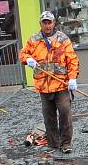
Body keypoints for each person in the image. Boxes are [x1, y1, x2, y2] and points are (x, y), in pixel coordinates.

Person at [19, 11, 80, 153]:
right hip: (44, 87)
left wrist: (72, 78)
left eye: (49, 22)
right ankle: (54, 145)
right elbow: (23, 53)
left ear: (54, 23)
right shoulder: (33, 39)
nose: (47, 25)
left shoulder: (63, 39)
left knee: (65, 114)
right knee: (49, 118)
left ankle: (66, 144)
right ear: (40, 24)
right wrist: (27, 59)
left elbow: (72, 60)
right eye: (44, 22)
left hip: (61, 85)